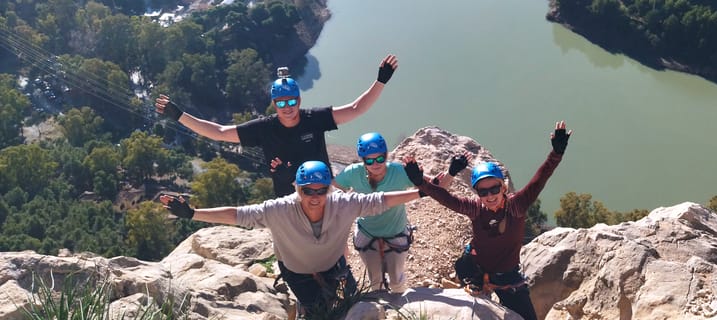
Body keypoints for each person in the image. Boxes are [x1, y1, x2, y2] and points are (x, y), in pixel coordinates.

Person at [159, 161, 422, 316]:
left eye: (321, 190)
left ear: (329, 188)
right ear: (297, 189)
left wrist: (421, 191)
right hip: (298, 273)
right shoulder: (279, 210)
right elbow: (238, 215)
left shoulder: (343, 203)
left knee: (352, 307)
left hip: (334, 267)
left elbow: (381, 200)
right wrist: (193, 214)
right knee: (318, 313)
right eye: (308, 190)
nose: (315, 196)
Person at [155, 54, 399, 197]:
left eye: (292, 100)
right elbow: (218, 132)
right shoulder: (264, 128)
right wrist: (179, 116)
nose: (288, 106)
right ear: (274, 103)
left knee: (334, 244)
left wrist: (380, 82)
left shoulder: (314, 119)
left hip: (323, 191)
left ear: (299, 100)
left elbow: (356, 109)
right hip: (289, 196)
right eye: (282, 102)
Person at [402, 121, 571, 320]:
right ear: (477, 192)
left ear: (503, 188)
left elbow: (540, 179)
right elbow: (447, 199)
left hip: (508, 277)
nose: (490, 196)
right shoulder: (475, 208)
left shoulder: (516, 206)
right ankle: (474, 283)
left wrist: (556, 154)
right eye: (483, 191)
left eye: (494, 189)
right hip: (476, 269)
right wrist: (421, 182)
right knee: (464, 267)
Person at [333, 132, 469, 293]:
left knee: (397, 280)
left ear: (386, 155)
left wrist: (452, 172)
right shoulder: (352, 173)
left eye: (380, 158)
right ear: (363, 160)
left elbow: (436, 190)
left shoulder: (398, 171)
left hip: (395, 232)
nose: (375, 164)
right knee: (375, 281)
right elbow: (331, 189)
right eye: (369, 160)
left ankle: (398, 310)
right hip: (366, 233)